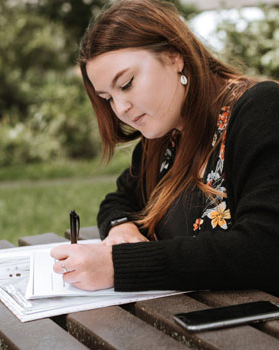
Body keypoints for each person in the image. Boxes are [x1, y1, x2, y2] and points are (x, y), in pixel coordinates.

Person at [51, 0, 279, 295]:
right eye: (107, 97)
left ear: (175, 56)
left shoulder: (261, 110)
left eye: (127, 83)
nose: (121, 108)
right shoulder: (164, 140)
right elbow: (119, 199)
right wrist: (122, 229)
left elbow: (265, 247)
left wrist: (118, 265)